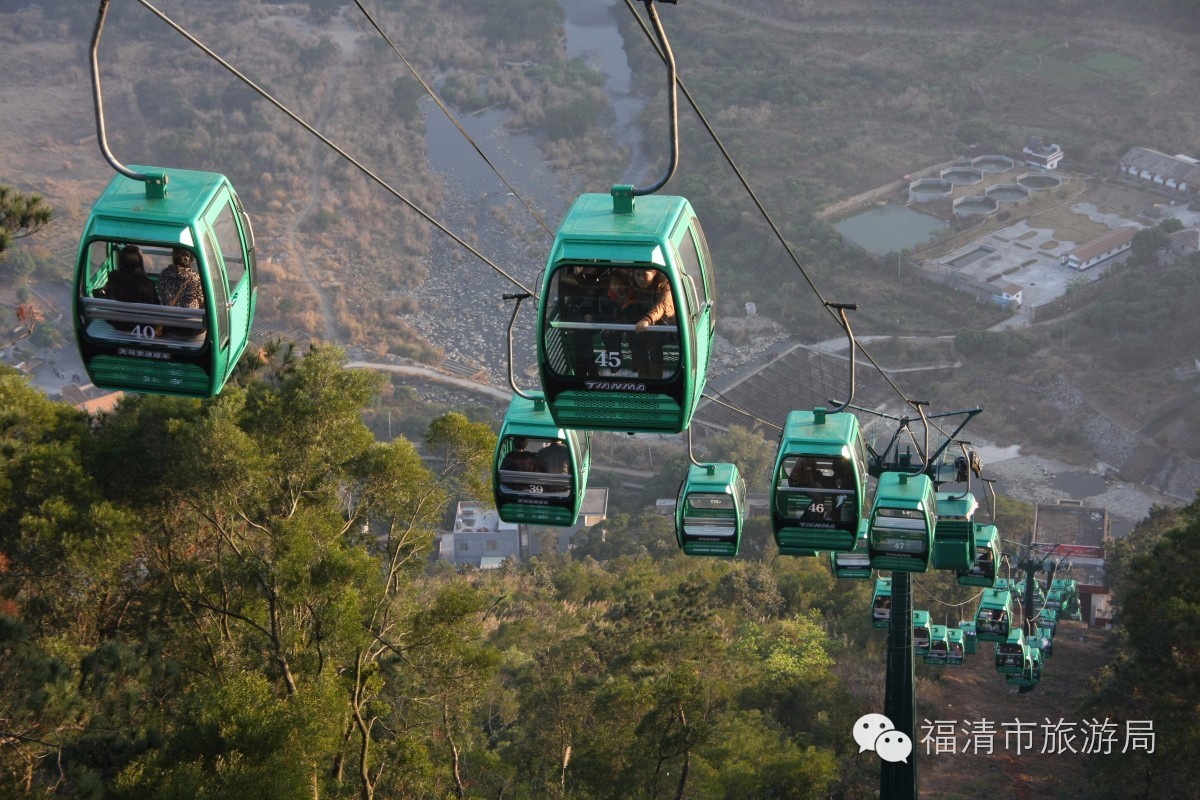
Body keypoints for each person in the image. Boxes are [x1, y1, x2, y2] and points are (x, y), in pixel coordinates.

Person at [628, 268, 675, 379]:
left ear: (654, 273)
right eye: (638, 275)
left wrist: (647, 319)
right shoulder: (634, 287)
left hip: (666, 326)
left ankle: (656, 378)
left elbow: (662, 305)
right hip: (648, 326)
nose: (641, 279)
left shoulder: (664, 286)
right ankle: (643, 375)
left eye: (645, 275)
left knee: (654, 340)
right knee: (632, 336)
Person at [98, 245, 158, 331]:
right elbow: (155, 307)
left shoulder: (113, 277)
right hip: (140, 326)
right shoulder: (146, 283)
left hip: (117, 323)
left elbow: (109, 299)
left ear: (121, 261)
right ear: (139, 262)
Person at [158, 247, 205, 337]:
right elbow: (202, 301)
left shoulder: (164, 275)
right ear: (191, 260)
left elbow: (162, 295)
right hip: (191, 327)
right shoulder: (197, 279)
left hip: (170, 325)